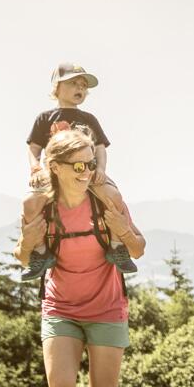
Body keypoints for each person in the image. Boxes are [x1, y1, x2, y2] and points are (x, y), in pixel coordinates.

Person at [15, 128, 146, 387]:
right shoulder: (36, 205)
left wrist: (122, 230)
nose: (86, 173)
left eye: (90, 165)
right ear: (55, 167)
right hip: (61, 306)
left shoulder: (106, 197)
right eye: (78, 166)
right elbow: (23, 257)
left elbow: (138, 249)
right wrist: (28, 242)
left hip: (107, 308)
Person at [22, 62, 136, 280]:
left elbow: (100, 147)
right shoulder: (45, 118)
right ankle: (39, 251)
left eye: (84, 86)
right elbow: (34, 148)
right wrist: (35, 167)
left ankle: (117, 246)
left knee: (113, 195)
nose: (80, 89)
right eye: (74, 83)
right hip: (54, 172)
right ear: (56, 87)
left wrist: (101, 168)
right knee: (30, 202)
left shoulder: (89, 119)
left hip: (88, 172)